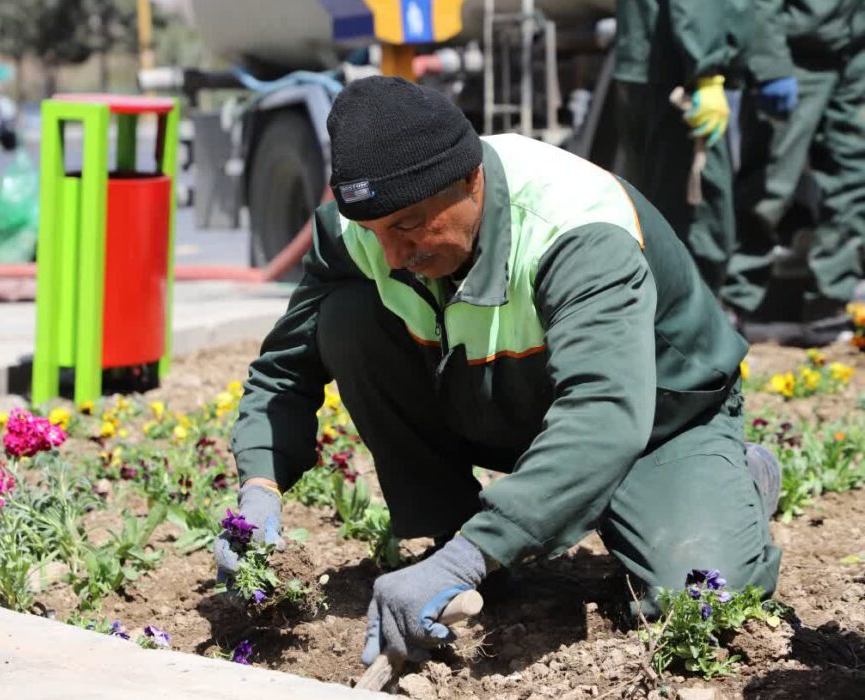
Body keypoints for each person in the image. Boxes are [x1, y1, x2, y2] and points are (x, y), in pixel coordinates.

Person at [216, 77, 782, 666]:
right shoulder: (366, 227)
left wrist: (468, 560)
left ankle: (733, 479)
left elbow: (604, 412)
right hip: (521, 399)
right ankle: (467, 534)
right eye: (372, 231)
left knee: (697, 599)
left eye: (408, 225)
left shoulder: (575, 229)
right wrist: (260, 489)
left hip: (659, 418)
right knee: (345, 317)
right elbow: (284, 370)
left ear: (471, 179)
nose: (392, 256)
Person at [723, 0, 865, 331]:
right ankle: (734, 302)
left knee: (852, 179)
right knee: (769, 184)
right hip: (795, 56)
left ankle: (829, 305)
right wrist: (770, 65)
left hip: (855, 55)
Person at [612, 0, 749, 295]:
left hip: (645, 60)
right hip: (680, 69)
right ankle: (692, 311)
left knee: (650, 207)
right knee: (695, 213)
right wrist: (706, 70)